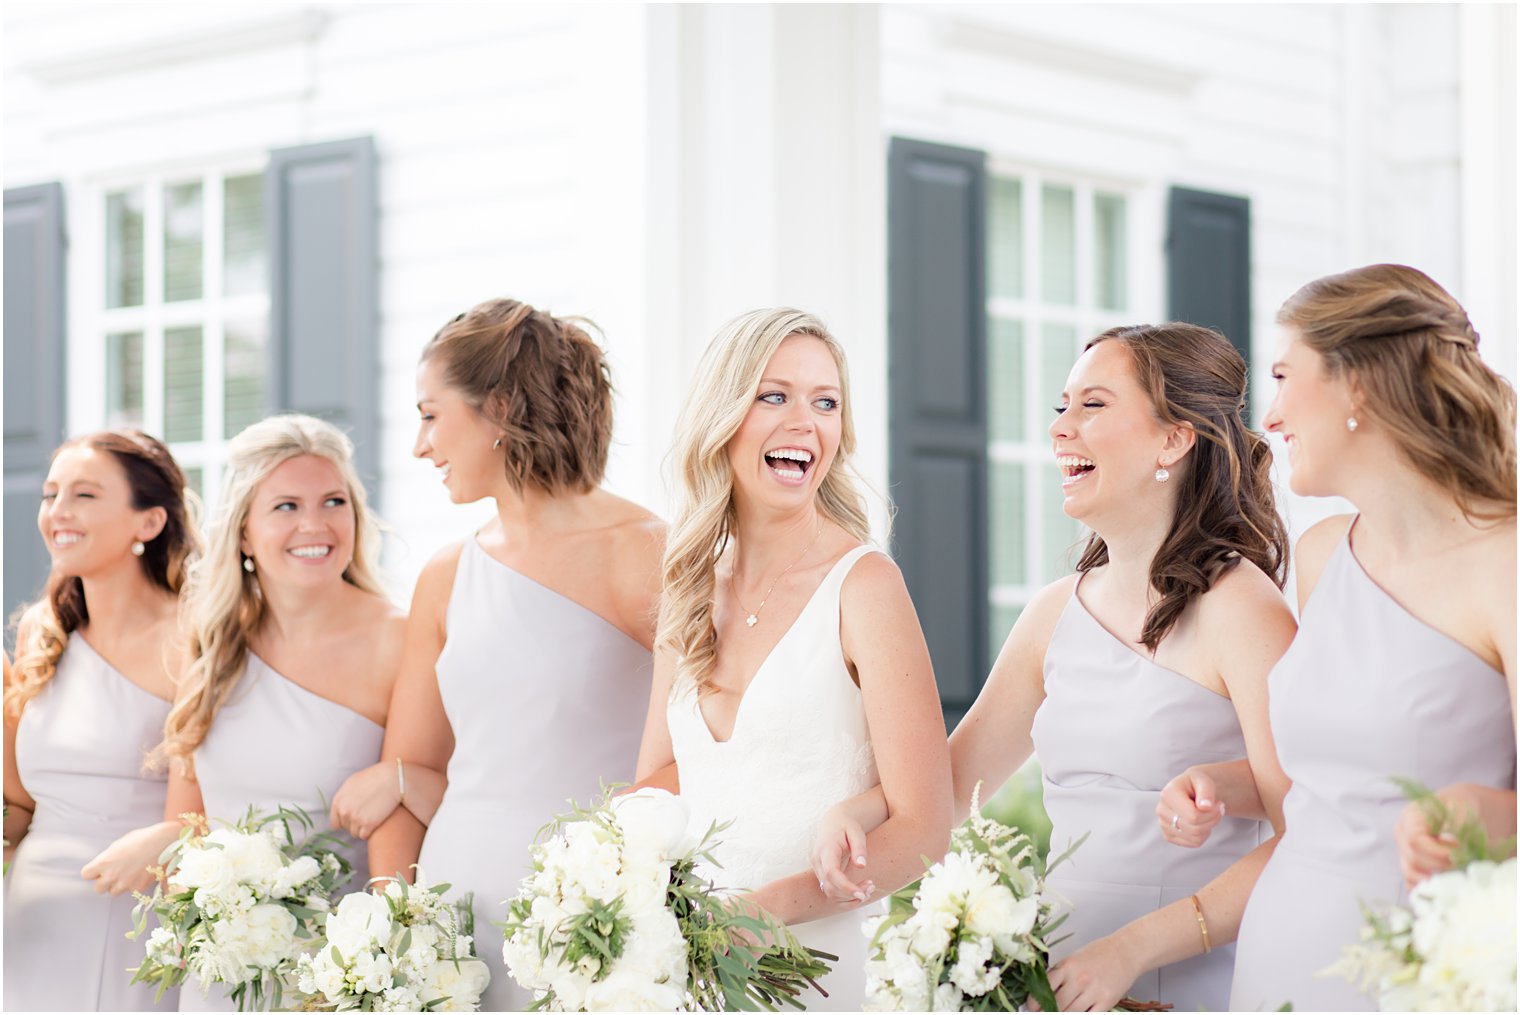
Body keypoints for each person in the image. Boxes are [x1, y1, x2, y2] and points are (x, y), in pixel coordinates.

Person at [814, 323, 1297, 1011]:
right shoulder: (1052, 615)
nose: (1061, 429)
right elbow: (949, 789)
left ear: (1174, 438)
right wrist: (854, 812)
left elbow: (1306, 830)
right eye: (1060, 407)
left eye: (1093, 405)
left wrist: (1134, 949)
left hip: (1198, 987)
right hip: (1069, 984)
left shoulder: (1244, 609)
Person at [1174, 265, 1517, 1011]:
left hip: (1417, 979)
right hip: (1273, 966)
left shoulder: (1506, 566)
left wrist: (1482, 813)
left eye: (1284, 375)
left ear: (1357, 384)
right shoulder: (1326, 553)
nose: (1269, 416)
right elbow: (1335, 782)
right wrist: (1226, 784)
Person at [635, 307, 953, 1011]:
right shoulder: (688, 586)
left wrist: (769, 908)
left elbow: (927, 824)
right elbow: (660, 780)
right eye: (774, 395)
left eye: (826, 402)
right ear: (724, 416)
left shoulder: (866, 586)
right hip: (690, 971)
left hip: (816, 965)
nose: (805, 421)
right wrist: (591, 865)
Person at [350, 298, 664, 1011]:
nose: (420, 445)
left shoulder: (646, 554)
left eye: (431, 415)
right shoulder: (445, 576)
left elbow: (709, 748)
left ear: (498, 408)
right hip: (455, 928)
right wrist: (396, 937)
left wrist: (611, 890)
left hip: (589, 935)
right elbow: (411, 771)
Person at [138, 415, 403, 1011]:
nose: (315, 524)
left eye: (334, 501)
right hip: (224, 972)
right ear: (244, 534)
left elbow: (411, 811)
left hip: (342, 973)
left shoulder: (400, 640)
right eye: (286, 506)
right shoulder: (210, 642)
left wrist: (381, 962)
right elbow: (189, 823)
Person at [4, 430, 198, 1011]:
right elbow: (19, 804)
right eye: (50, 494)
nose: (57, 512)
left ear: (149, 522)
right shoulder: (43, 629)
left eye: (84, 495)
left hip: (137, 922)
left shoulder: (194, 636)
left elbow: (214, 806)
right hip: (31, 925)